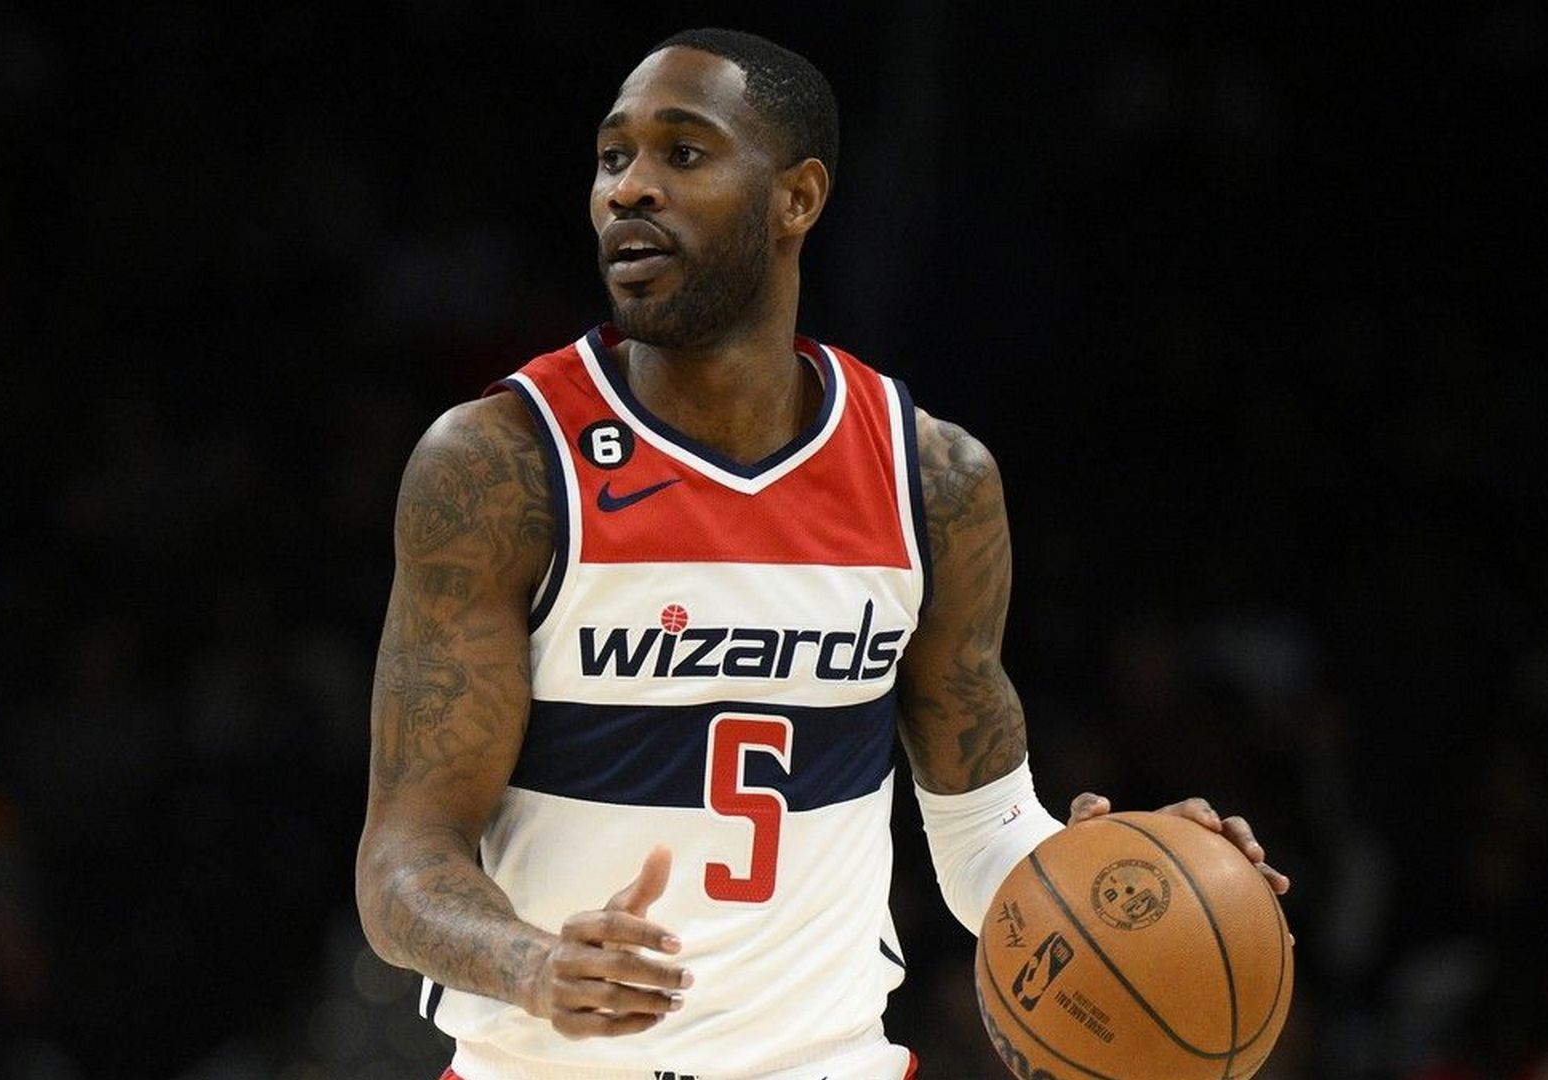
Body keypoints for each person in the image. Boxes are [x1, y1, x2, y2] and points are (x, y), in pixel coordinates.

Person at [355, 26, 1290, 1080]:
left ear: (796, 198)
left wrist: (1132, 882)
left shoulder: (932, 481)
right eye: (613, 156)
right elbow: (403, 862)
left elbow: (982, 840)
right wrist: (529, 963)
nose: (629, 189)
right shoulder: (501, 467)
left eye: (683, 153)